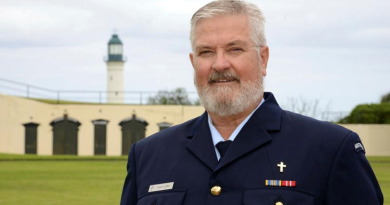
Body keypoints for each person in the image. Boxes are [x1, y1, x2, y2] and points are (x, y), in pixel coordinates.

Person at [120, 0, 383, 204]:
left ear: (263, 59)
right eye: (206, 52)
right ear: (193, 63)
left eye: (235, 49)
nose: (220, 64)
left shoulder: (330, 149)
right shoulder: (147, 155)